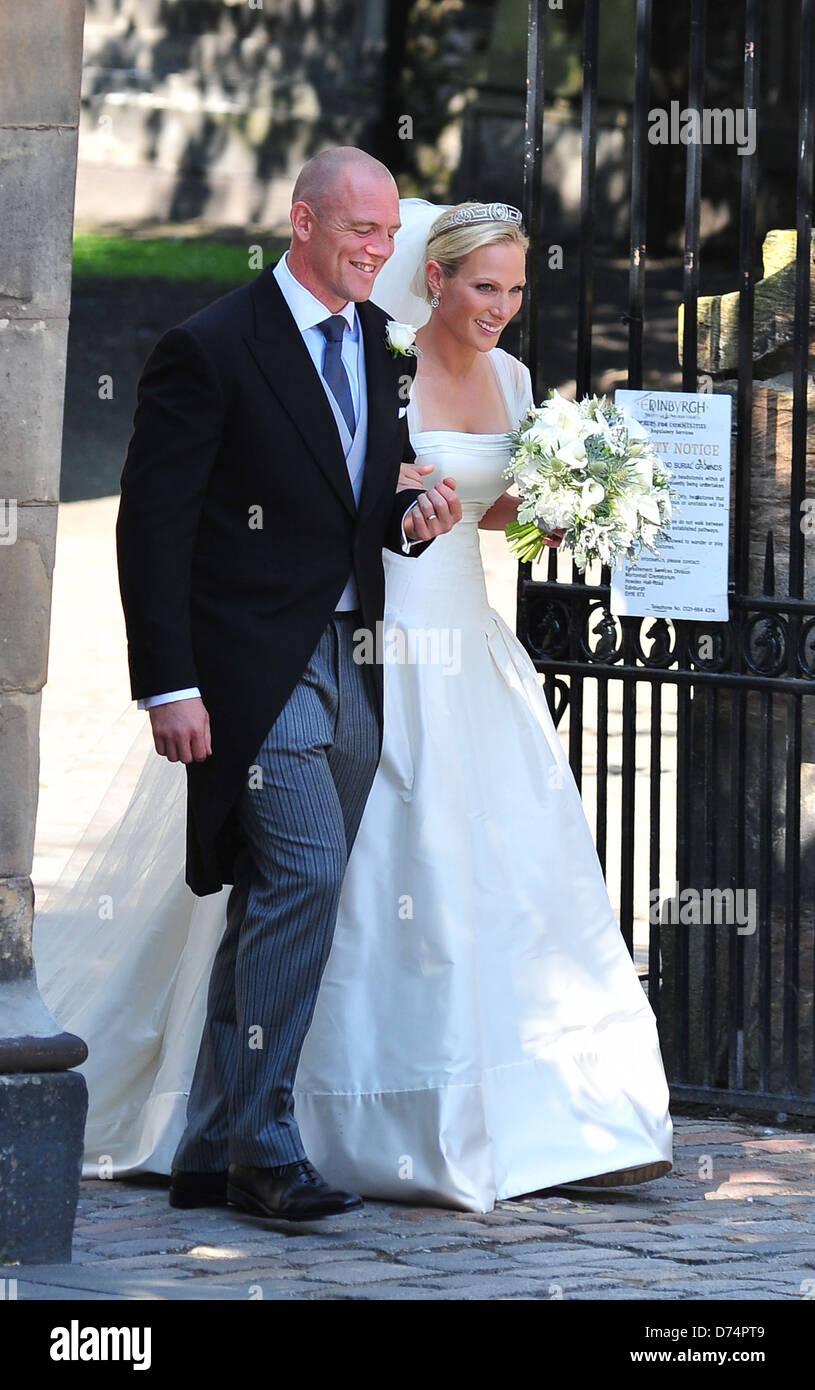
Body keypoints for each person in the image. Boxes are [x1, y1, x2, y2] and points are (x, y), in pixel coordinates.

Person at [34, 192, 672, 1217]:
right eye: (482, 285)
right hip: (363, 642)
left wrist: (555, 508)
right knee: (322, 871)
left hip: (469, 649)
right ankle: (300, 1122)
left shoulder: (510, 378)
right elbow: (337, 494)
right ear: (435, 278)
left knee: (502, 873)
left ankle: (559, 1109)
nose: (499, 307)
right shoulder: (378, 369)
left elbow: (487, 510)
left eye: (513, 288)